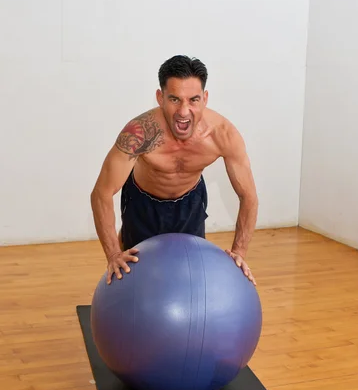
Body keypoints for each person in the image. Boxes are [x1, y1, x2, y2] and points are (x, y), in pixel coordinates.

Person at [91, 55, 258, 286]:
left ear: (205, 98)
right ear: (160, 98)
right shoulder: (139, 134)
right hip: (142, 202)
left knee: (189, 276)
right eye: (174, 99)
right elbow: (101, 193)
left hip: (189, 202)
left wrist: (239, 251)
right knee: (136, 278)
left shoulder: (223, 135)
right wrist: (112, 255)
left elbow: (248, 196)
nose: (184, 111)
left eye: (193, 100)